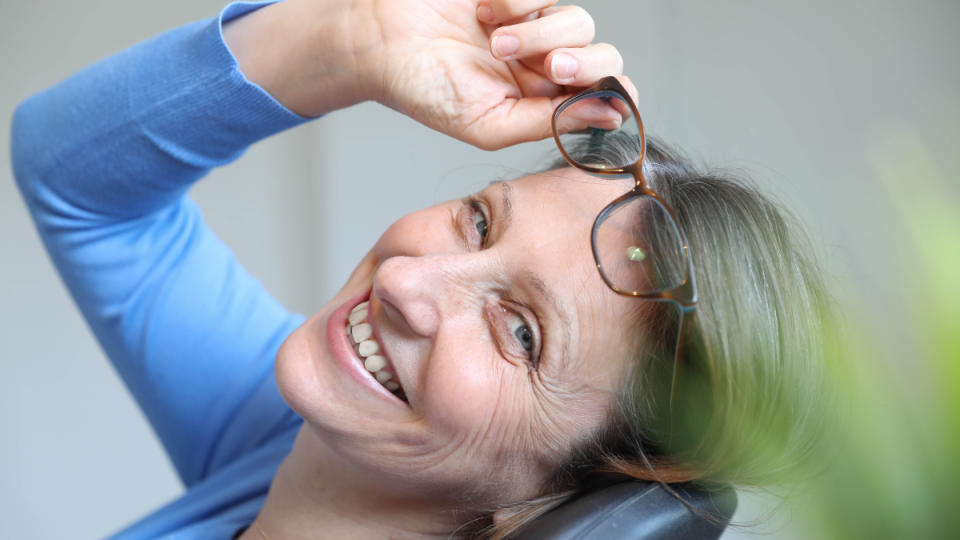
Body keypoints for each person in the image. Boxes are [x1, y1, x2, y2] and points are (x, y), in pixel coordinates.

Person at [10, 0, 828, 538]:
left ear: (579, 500)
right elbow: (78, 182)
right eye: (479, 222)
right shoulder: (278, 449)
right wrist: (352, 38)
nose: (405, 283)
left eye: (520, 334)